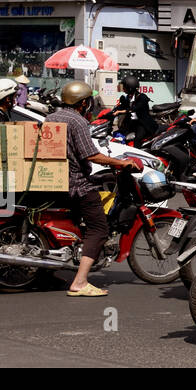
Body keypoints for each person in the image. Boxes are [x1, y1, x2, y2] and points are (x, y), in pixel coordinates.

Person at [50, 81, 143, 297]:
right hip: (76, 182)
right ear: (83, 103)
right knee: (99, 228)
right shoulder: (78, 122)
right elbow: (90, 155)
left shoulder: (52, 117)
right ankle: (80, 282)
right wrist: (121, 163)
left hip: (54, 180)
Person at [113, 75, 157, 146]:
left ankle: (139, 153)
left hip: (142, 123)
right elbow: (122, 106)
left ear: (130, 88)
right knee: (119, 134)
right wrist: (111, 112)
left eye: (124, 87)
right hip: (132, 123)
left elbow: (134, 108)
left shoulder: (142, 97)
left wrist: (120, 112)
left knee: (137, 140)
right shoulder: (128, 97)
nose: (123, 89)